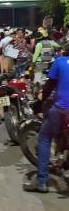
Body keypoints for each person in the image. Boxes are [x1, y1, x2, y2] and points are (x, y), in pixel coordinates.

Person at [24, 43, 69, 193]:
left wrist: (39, 102)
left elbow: (49, 86)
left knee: (44, 138)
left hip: (61, 109)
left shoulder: (60, 62)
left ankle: (42, 181)